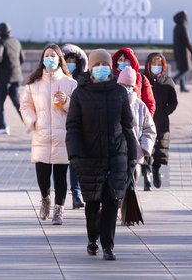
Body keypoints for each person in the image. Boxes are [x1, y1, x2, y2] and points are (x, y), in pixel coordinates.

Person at [66, 49, 136, 261]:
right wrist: (75, 155)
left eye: (104, 65)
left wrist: (132, 156)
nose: (100, 69)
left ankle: (108, 245)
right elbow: (73, 127)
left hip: (116, 157)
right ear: (91, 69)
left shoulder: (119, 93)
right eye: (96, 66)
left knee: (111, 202)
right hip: (89, 158)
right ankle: (92, 239)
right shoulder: (80, 93)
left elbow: (127, 126)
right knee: (93, 204)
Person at [20, 44, 77, 225]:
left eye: (53, 55)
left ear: (60, 59)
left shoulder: (70, 83)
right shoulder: (33, 83)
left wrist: (66, 101)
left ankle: (59, 210)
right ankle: (45, 199)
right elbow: (25, 106)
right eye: (47, 55)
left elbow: (78, 110)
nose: (50, 58)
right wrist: (32, 121)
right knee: (42, 176)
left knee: (61, 177)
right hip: (41, 135)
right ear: (42, 59)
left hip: (62, 137)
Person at [117, 66, 157, 191]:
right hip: (116, 150)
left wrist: (144, 147)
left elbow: (149, 128)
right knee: (117, 182)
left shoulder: (140, 106)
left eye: (129, 86)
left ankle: (128, 204)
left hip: (135, 151)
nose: (126, 89)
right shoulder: (112, 102)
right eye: (123, 85)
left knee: (132, 181)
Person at [143, 53, 178, 188]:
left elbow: (173, 102)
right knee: (146, 149)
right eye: (153, 63)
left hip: (162, 123)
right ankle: (146, 176)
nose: (155, 66)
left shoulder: (167, 81)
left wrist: (166, 111)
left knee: (159, 150)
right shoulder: (143, 79)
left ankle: (156, 170)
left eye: (158, 64)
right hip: (146, 121)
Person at [61, 43, 88, 209]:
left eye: (73, 60)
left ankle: (76, 194)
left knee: (74, 161)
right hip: (59, 126)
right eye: (67, 60)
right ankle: (59, 195)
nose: (71, 63)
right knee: (60, 164)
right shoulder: (57, 80)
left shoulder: (83, 80)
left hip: (78, 127)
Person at [0, 22, 25, 135]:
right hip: (16, 76)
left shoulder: (1, 43)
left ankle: (2, 127)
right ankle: (29, 124)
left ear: (1, 32)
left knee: (0, 102)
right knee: (17, 102)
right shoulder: (16, 42)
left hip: (4, 78)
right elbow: (22, 58)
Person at [111, 47, 156, 116]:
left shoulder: (141, 79)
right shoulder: (111, 79)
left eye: (126, 60)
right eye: (120, 60)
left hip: (137, 120)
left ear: (132, 61)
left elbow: (150, 103)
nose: (123, 62)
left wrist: (145, 120)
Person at [172, 10, 192, 92]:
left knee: (182, 69)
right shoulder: (183, 27)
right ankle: (173, 80)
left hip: (178, 52)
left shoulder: (176, 27)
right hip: (184, 53)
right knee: (186, 69)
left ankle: (182, 87)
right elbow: (187, 41)